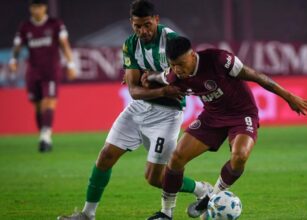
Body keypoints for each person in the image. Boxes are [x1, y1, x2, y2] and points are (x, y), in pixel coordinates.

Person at [57, 1, 211, 220]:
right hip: (138, 109)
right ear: (132, 23)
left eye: (147, 25)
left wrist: (152, 82)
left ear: (156, 19)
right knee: (105, 156)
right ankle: (87, 214)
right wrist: (163, 89)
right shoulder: (130, 44)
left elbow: (183, 76)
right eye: (138, 26)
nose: (143, 31)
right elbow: (135, 90)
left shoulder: (172, 41)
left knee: (155, 178)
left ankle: (201, 190)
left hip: (166, 117)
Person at [145, 36, 307, 220]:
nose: (178, 69)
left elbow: (257, 77)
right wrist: (148, 77)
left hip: (242, 115)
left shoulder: (219, 60)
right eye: (173, 65)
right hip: (212, 117)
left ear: (193, 55)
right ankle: (166, 213)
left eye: (181, 63)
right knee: (176, 157)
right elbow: (159, 76)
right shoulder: (175, 75)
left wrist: (289, 97)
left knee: (239, 156)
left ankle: (212, 197)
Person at [9, 0, 76, 152]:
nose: (36, 10)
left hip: (51, 71)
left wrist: (70, 64)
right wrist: (14, 60)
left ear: (44, 8)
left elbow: (64, 43)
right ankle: (44, 135)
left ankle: (45, 136)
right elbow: (17, 45)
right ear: (30, 8)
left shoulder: (55, 24)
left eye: (39, 6)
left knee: (49, 102)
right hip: (33, 72)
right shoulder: (25, 26)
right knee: (38, 106)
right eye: (34, 7)